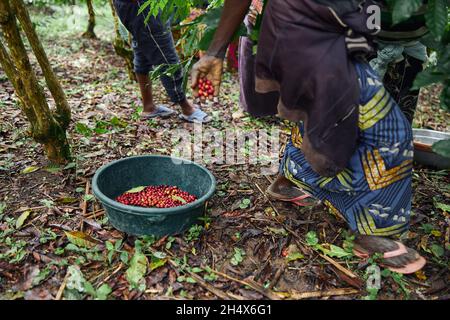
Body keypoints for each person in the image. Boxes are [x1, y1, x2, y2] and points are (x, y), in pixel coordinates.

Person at [191, 0, 426, 274]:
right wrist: (215, 52)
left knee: (328, 121)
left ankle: (290, 178)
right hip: (314, 32)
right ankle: (374, 233)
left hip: (346, 33)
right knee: (390, 131)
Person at [113, 0, 211, 123]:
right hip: (141, 5)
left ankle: (148, 107)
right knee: (165, 53)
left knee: (142, 48)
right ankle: (187, 108)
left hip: (132, 6)